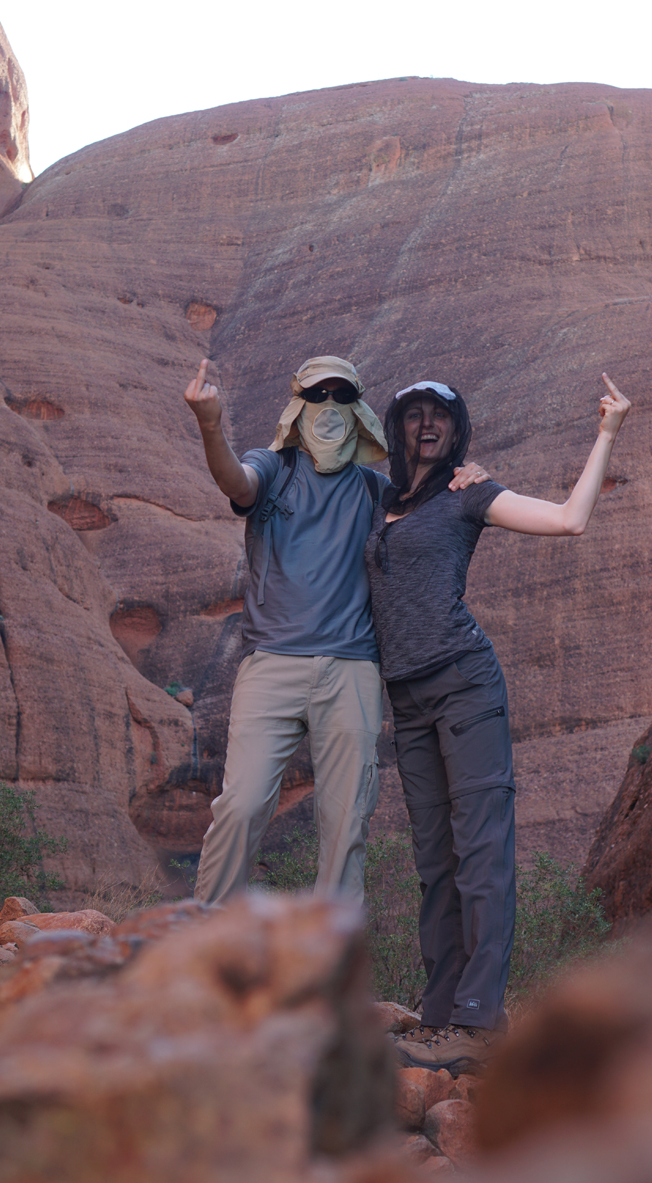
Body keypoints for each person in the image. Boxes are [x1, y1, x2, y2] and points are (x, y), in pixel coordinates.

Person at [365, 373, 631, 1074]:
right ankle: (439, 1017)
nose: (426, 424)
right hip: (407, 701)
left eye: (440, 417)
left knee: (480, 851)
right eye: (413, 414)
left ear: (456, 433)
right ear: (395, 430)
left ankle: (480, 1025)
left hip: (462, 683)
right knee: (434, 861)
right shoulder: (373, 500)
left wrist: (606, 432)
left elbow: (569, 520)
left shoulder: (470, 494)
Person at [183, 355, 490, 905]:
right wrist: (209, 423)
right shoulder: (274, 469)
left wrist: (471, 475)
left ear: (360, 410)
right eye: (318, 395)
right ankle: (205, 942)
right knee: (242, 805)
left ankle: (331, 962)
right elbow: (235, 479)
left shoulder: (378, 491)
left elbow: (434, 500)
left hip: (351, 669)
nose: (330, 408)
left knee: (347, 824)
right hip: (271, 664)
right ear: (297, 406)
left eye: (343, 397)